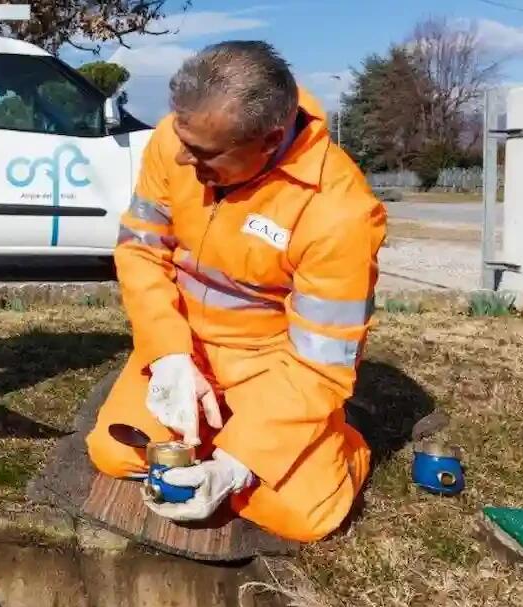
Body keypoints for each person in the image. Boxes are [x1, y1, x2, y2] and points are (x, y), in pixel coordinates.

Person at [86, 40, 386, 543]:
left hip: (272, 367)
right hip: (184, 348)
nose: (181, 158)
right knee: (115, 454)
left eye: (203, 153)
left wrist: (235, 465)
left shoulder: (340, 214)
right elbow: (141, 251)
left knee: (301, 515)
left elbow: (319, 362)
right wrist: (168, 356)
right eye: (181, 138)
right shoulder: (174, 139)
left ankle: (338, 443)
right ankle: (220, 428)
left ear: (269, 140)